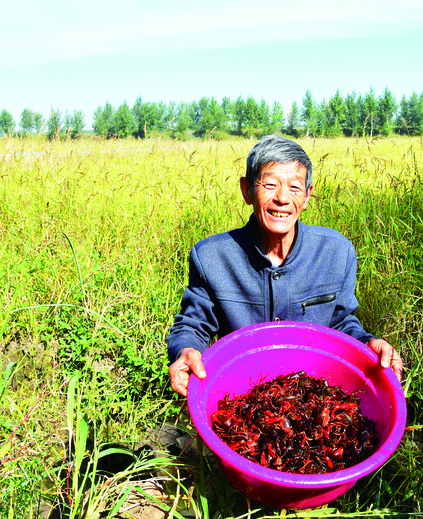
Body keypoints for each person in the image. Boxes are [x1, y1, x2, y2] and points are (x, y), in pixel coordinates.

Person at [167, 135, 403, 396]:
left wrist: (369, 343)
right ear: (247, 190)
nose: (282, 198)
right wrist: (186, 350)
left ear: (307, 196)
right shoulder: (212, 256)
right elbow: (193, 324)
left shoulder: (336, 252)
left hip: (313, 394)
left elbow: (341, 323)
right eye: (270, 184)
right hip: (240, 394)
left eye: (294, 187)